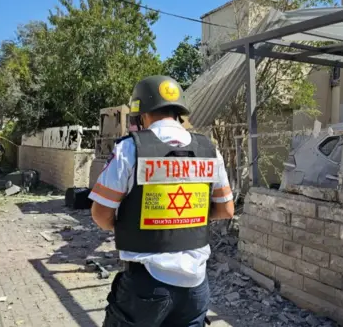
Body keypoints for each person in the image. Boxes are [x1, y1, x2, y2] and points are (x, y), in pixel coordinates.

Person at [88, 75, 234, 327]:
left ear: (141, 113)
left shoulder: (130, 149)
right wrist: (184, 219)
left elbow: (101, 215)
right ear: (179, 112)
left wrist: (138, 226)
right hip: (196, 288)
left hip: (146, 285)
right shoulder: (210, 151)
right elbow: (226, 209)